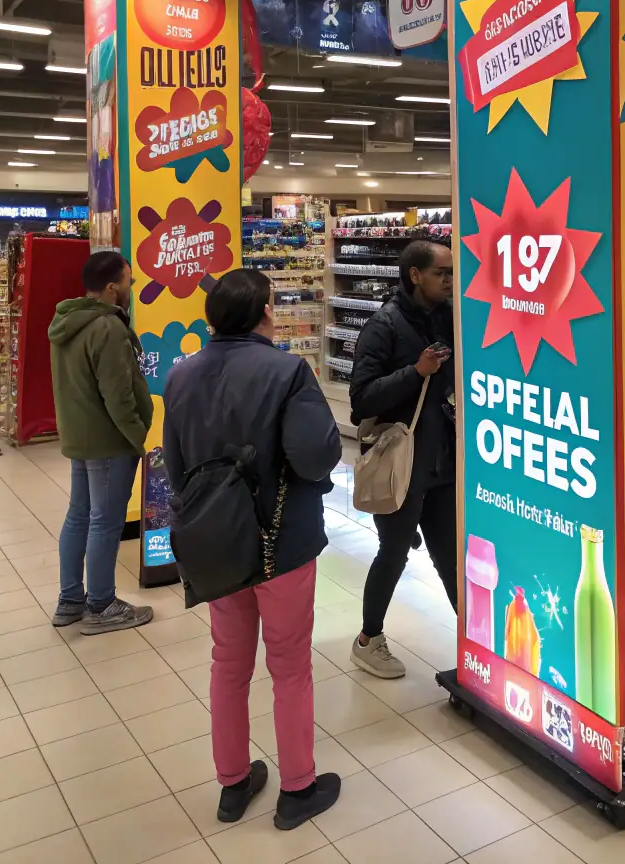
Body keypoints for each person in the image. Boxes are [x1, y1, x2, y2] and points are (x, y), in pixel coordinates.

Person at [162, 267, 343, 830]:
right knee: (289, 665)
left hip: (216, 542)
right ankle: (297, 789)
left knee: (228, 662)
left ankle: (233, 784)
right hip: (280, 542)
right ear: (265, 313)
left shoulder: (181, 375)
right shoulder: (288, 372)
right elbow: (316, 456)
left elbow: (174, 464)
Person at [349, 239, 457, 678]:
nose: (450, 281)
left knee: (451, 555)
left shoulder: (449, 317)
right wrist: (415, 372)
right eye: (442, 273)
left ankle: (475, 640)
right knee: (393, 552)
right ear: (415, 275)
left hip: (443, 462)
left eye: (452, 272)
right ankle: (367, 639)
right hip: (402, 463)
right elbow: (361, 398)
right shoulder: (384, 325)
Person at [50, 250, 154, 635]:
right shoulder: (107, 328)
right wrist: (137, 437)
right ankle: (101, 604)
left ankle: (70, 600)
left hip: (80, 433)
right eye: (129, 279)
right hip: (109, 439)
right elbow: (118, 395)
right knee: (105, 523)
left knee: (79, 516)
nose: (133, 285)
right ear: (113, 287)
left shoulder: (66, 321)